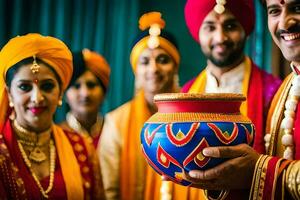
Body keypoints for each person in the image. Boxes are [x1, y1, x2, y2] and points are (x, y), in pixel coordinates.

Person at [182, 0, 300, 199]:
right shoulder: (288, 89)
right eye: (274, 11)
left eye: (230, 26)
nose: (220, 37)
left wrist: (257, 171)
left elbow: (258, 168)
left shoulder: (272, 90)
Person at [0, 33, 105, 199]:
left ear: (60, 93)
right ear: (9, 94)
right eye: (25, 87)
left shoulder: (82, 148)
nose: (37, 98)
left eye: (47, 86)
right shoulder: (2, 151)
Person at [98, 12, 180, 200]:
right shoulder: (116, 122)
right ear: (136, 69)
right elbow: (108, 191)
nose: (153, 69)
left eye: (162, 60)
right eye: (145, 61)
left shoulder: (192, 116)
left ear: (175, 66)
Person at [60, 49, 110, 149]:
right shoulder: (57, 136)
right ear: (64, 94)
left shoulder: (114, 132)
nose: (85, 93)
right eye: (76, 86)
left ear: (104, 93)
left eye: (91, 85)